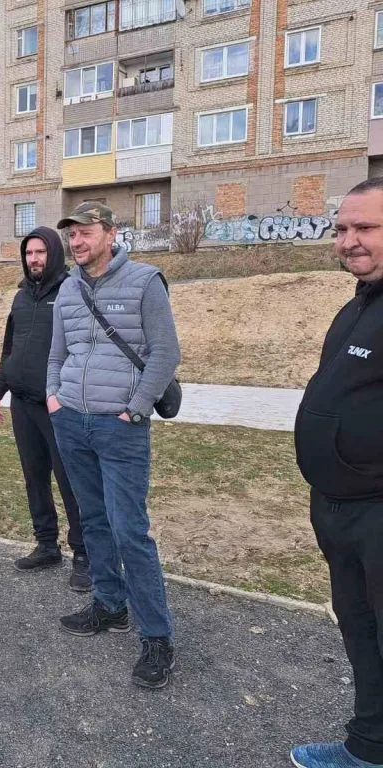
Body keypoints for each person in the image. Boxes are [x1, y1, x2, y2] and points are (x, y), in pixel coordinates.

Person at [46, 201, 181, 689]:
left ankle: (157, 637)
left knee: (130, 531)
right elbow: (58, 352)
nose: (76, 241)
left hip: (120, 427)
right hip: (71, 421)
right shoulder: (67, 288)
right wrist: (54, 397)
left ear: (110, 233)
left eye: (85, 232)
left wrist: (136, 409)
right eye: (71, 235)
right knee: (94, 520)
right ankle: (108, 604)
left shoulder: (145, 282)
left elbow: (166, 353)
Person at [291, 179, 383, 768]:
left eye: (366, 228)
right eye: (342, 228)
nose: (349, 241)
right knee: (360, 629)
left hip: (376, 511)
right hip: (337, 506)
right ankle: (369, 746)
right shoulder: (358, 305)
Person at [0, 226, 89, 591]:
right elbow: (10, 348)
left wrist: (64, 394)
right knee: (34, 478)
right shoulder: (20, 297)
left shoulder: (71, 292)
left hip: (58, 406)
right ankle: (47, 545)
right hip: (22, 403)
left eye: (40, 253)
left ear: (54, 254)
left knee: (70, 481)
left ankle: (84, 554)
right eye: (29, 253)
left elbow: (81, 348)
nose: (34, 259)